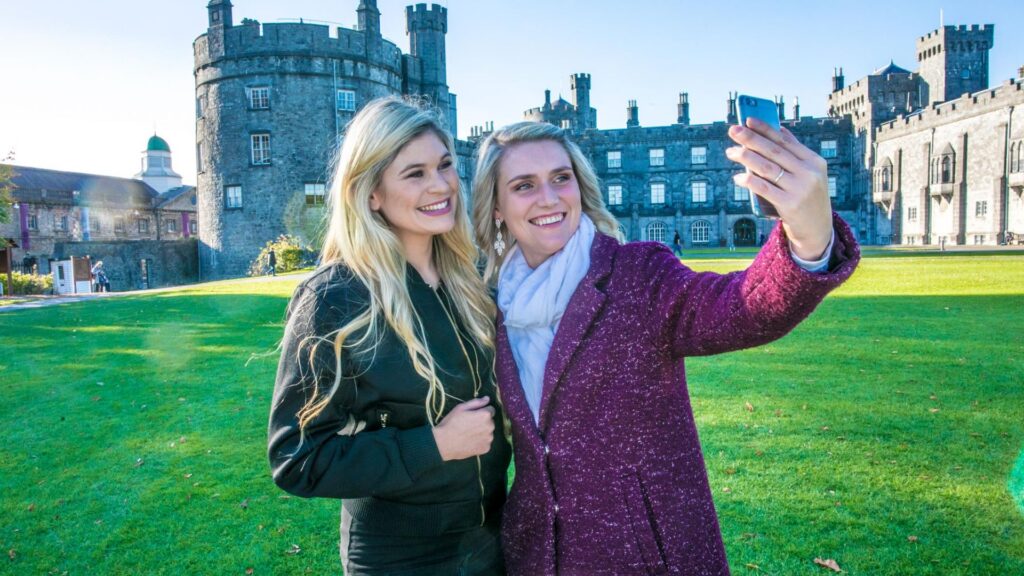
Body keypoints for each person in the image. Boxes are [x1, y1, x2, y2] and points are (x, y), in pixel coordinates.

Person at [471, 119, 859, 575]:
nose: (549, 198)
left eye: (561, 177)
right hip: (536, 558)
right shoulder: (493, 305)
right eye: (523, 186)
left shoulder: (638, 275)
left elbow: (743, 308)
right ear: (496, 208)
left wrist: (809, 237)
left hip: (647, 557)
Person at [268, 97, 511, 575]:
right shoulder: (336, 299)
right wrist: (435, 444)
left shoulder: (474, 278)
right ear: (371, 193)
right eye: (414, 173)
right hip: (400, 556)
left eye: (444, 165)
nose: (440, 185)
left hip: (491, 541)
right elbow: (297, 456)